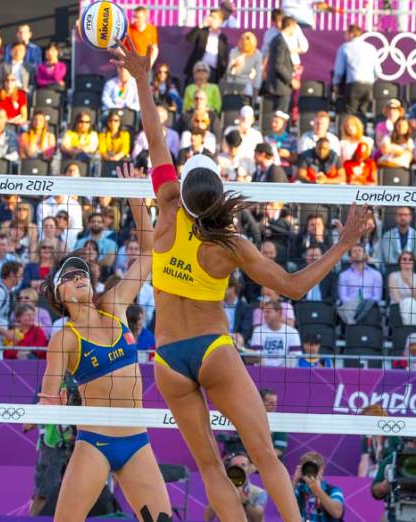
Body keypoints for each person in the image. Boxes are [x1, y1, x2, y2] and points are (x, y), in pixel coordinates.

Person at [110, 39, 371, 521]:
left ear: (184, 189)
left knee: (211, 465)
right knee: (265, 455)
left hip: (167, 358)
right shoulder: (230, 243)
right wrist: (342, 243)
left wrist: (144, 81)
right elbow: (293, 287)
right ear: (218, 195)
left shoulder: (167, 208)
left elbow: (155, 139)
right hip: (212, 350)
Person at [38, 163, 171, 520]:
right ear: (58, 296)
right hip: (94, 442)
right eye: (70, 275)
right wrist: (52, 409)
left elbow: (149, 253)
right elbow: (48, 399)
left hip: (137, 440)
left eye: (82, 271)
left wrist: (136, 198)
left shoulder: (113, 307)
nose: (80, 275)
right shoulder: (64, 338)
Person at [204, 453, 268, 521]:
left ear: (250, 468)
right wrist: (218, 498)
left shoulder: (259, 493)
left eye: (243, 465)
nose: (239, 468)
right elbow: (207, 518)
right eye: (235, 465)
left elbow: (258, 518)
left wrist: (245, 503)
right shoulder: (221, 490)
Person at [333, 24, 377, 117]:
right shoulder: (371, 48)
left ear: (351, 34)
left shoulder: (345, 47)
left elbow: (339, 71)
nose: (344, 36)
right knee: (363, 112)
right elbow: (377, 70)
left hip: (354, 83)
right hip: (368, 84)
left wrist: (336, 84)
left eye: (346, 34)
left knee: (350, 112)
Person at [292, 451, 345, 521]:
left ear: (321, 470)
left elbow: (337, 513)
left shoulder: (333, 491)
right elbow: (283, 507)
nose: (310, 471)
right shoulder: (299, 490)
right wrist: (295, 481)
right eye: (307, 468)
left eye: (313, 468)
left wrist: (318, 491)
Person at [249, 299, 301, 367]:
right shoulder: (258, 331)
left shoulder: (292, 332)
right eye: (264, 312)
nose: (265, 315)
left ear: (279, 313)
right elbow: (256, 357)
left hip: (286, 373)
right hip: (263, 372)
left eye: (268, 312)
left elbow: (296, 356)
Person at [184, 9, 228, 83]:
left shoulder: (222, 37)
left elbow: (223, 56)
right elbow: (190, 39)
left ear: (220, 21)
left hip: (213, 71)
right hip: (198, 69)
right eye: (210, 16)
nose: (211, 19)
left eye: (214, 17)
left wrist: (222, 72)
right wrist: (201, 25)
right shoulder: (203, 31)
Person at [264, 17, 297, 113]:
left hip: (279, 85)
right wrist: (291, 80)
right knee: (280, 115)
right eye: (294, 27)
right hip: (280, 86)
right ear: (290, 26)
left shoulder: (277, 39)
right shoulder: (280, 42)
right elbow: (279, 65)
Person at [225, 31, 263, 97]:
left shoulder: (258, 55)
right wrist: (234, 66)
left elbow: (258, 74)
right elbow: (229, 72)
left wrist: (256, 89)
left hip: (248, 82)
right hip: (234, 80)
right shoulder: (234, 52)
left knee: (248, 91)